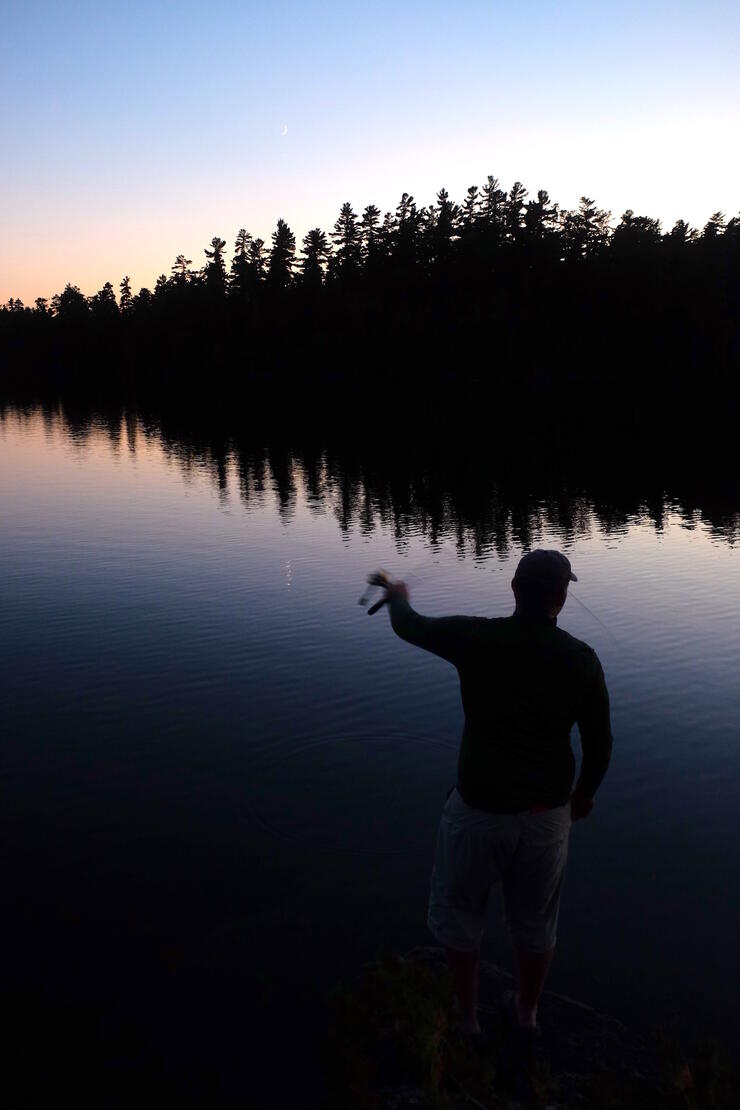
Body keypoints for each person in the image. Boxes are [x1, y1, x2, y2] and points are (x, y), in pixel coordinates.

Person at [377, 549, 612, 1039]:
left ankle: (467, 1019)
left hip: (478, 812)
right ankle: (526, 1014)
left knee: (461, 918)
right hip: (548, 817)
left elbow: (409, 626)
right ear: (562, 597)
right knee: (536, 925)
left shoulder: (476, 637)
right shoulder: (582, 659)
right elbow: (599, 742)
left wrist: (397, 597)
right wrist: (584, 794)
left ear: (514, 589)